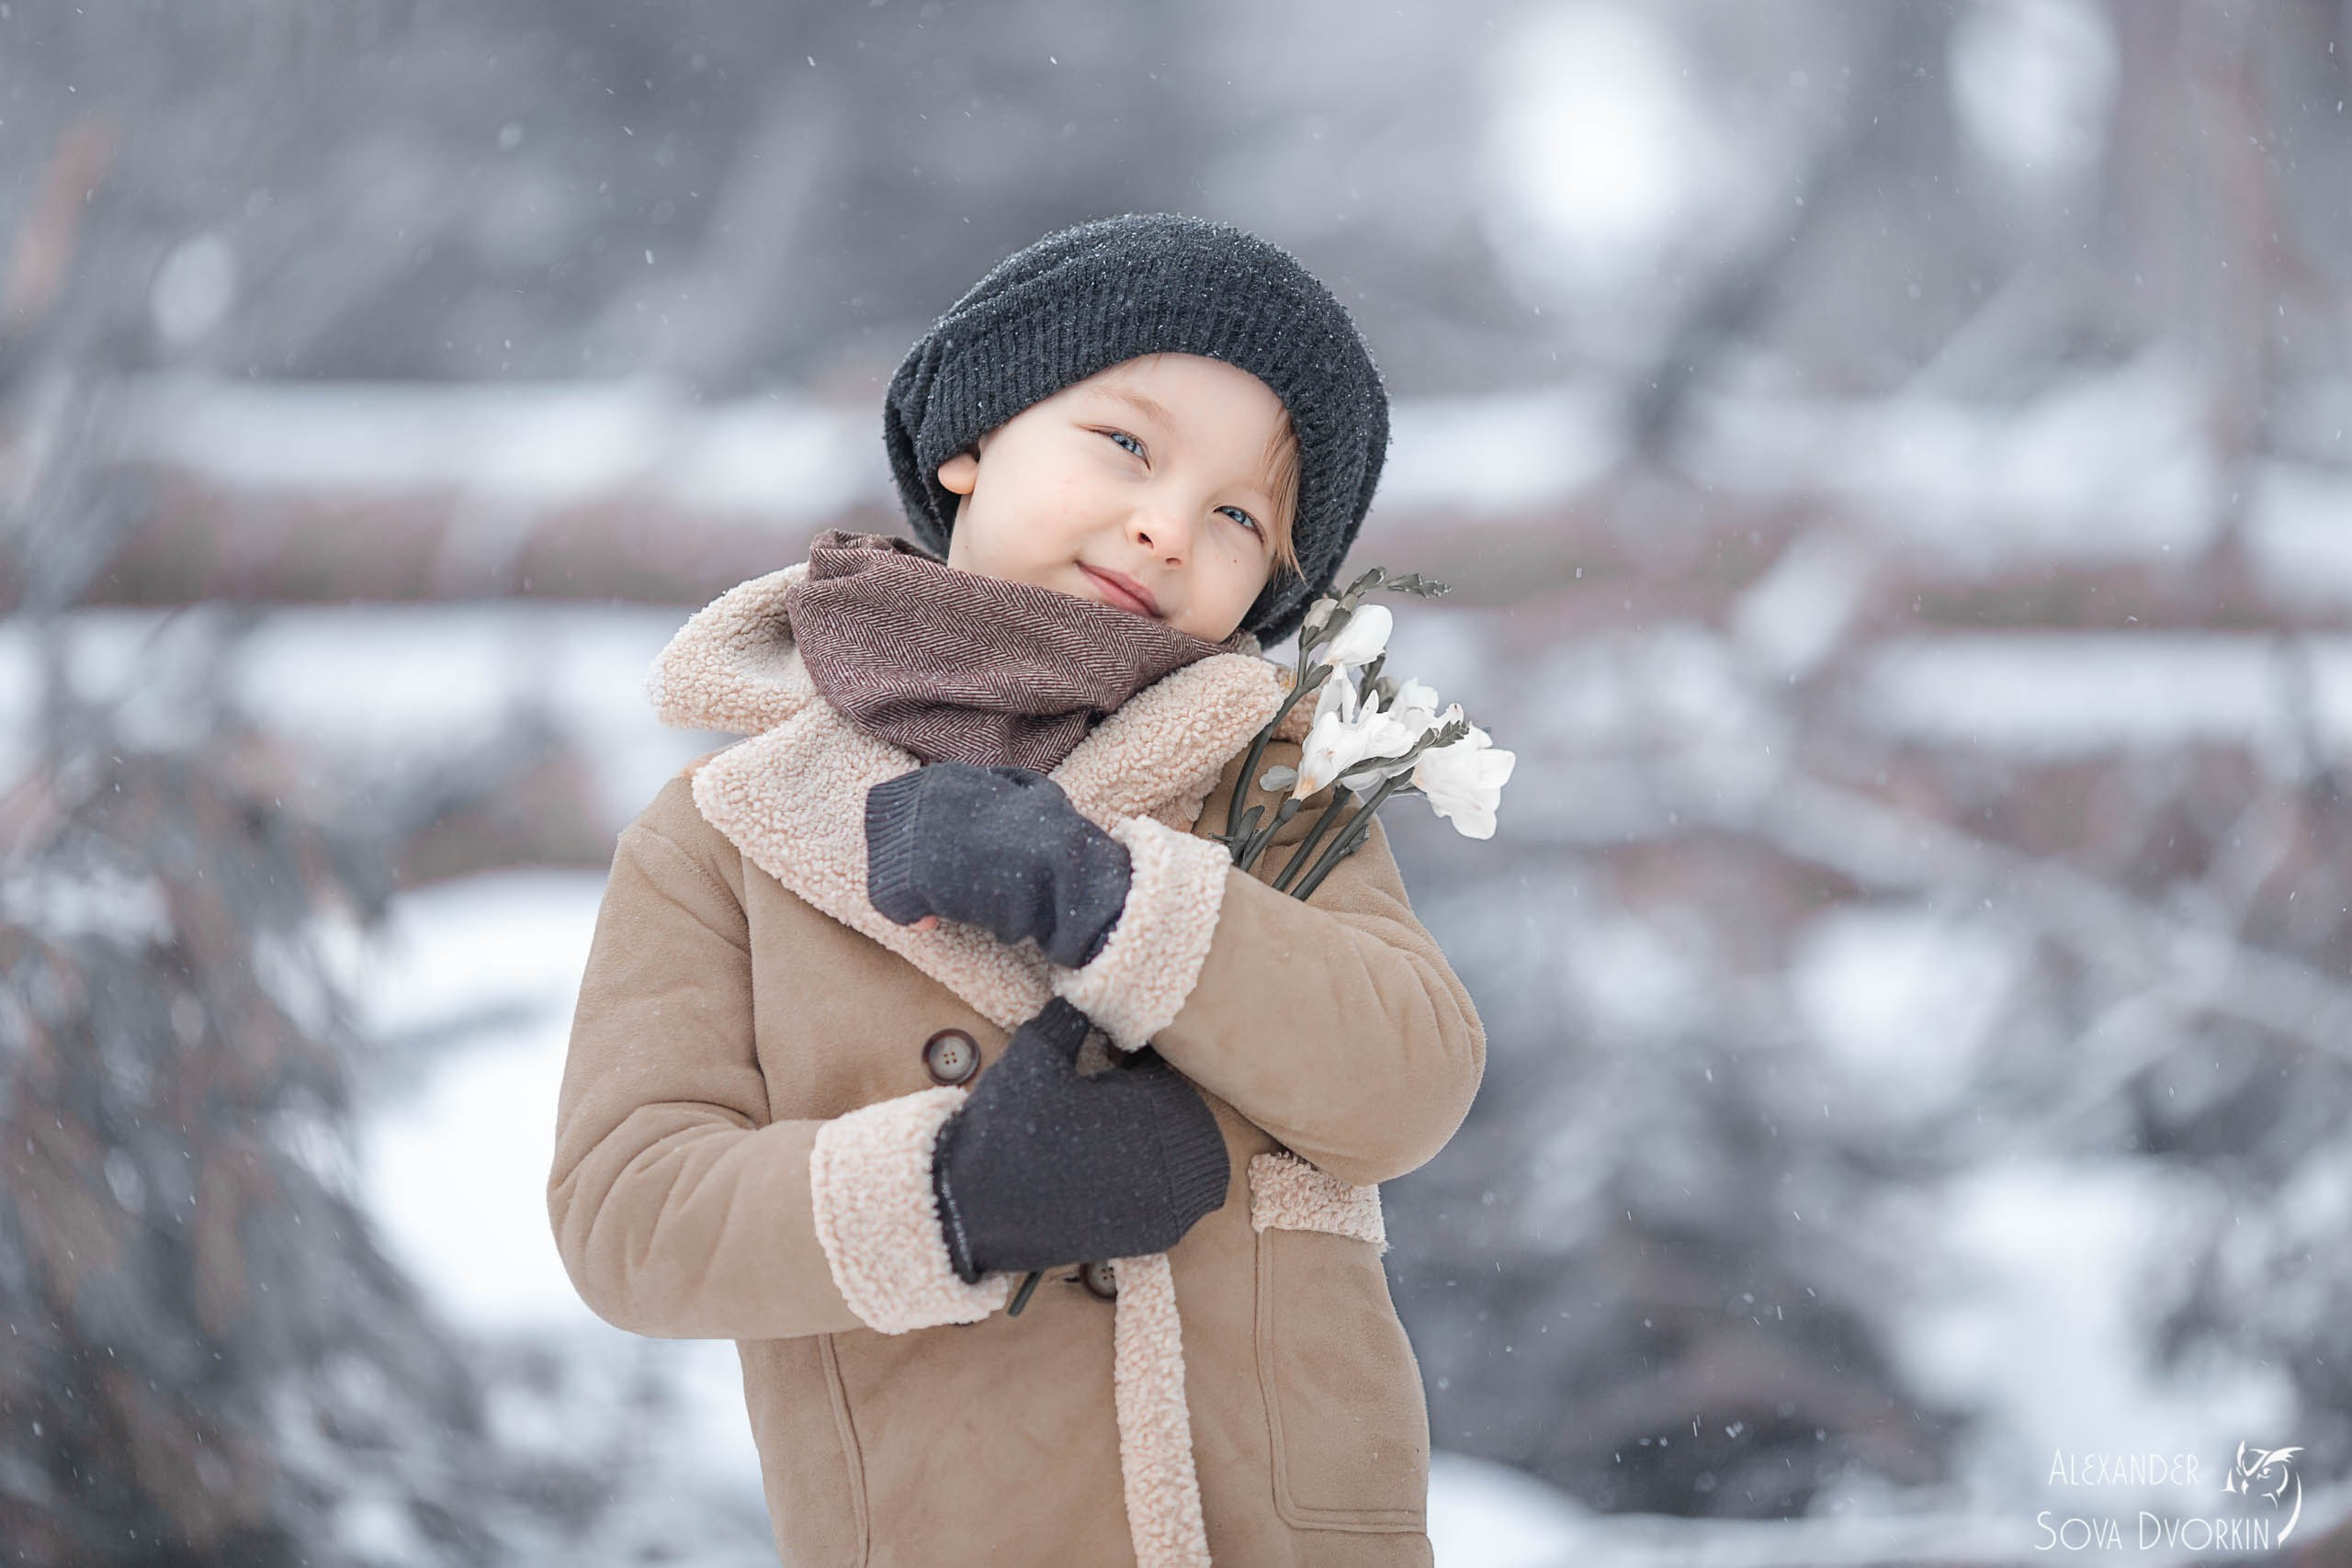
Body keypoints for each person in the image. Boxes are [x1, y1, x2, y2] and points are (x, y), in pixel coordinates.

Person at [548, 213, 1487, 1568]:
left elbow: (1411, 1085)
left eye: (1238, 516)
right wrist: (951, 1197)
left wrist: (1123, 903)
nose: (1167, 525)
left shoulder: (1270, 786)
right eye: (1127, 445)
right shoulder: (724, 836)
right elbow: (627, 1215)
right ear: (973, 440)